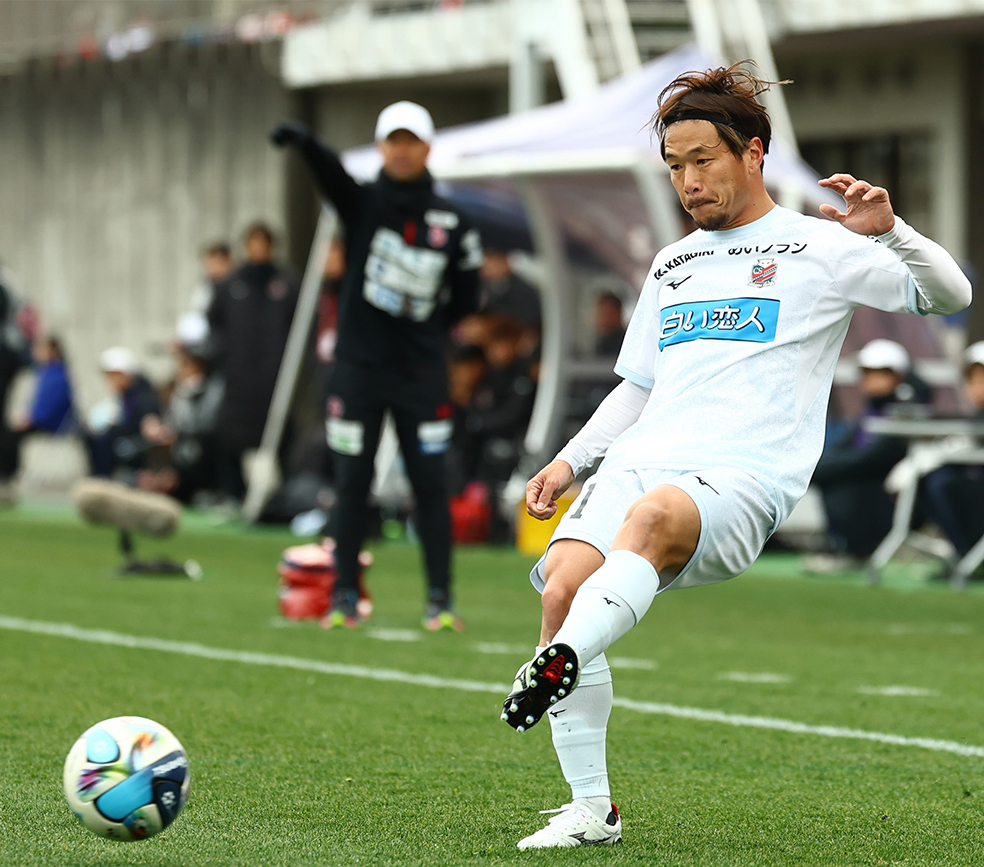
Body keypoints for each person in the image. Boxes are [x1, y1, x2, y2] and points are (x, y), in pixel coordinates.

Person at [497, 63, 971, 849]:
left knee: (648, 526)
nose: (688, 180)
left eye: (702, 160)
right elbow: (638, 386)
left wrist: (892, 231)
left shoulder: (821, 245)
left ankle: (558, 661)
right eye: (674, 165)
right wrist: (570, 460)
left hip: (743, 474)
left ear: (752, 153)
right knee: (563, 589)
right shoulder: (672, 263)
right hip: (641, 457)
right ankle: (592, 809)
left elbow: (950, 296)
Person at [270, 100, 482, 630]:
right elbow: (331, 176)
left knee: (430, 485)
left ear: (427, 148)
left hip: (421, 375)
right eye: (394, 141)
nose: (402, 150)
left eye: (412, 141)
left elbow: (466, 297)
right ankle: (344, 597)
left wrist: (423, 332)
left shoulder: (455, 221)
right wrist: (307, 144)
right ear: (381, 148)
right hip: (358, 373)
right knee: (351, 483)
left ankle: (440, 601)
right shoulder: (362, 204)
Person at [806, 339, 930, 572]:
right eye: (867, 373)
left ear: (898, 377)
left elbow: (872, 459)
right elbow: (845, 450)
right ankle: (845, 546)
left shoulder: (907, 411)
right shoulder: (870, 412)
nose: (871, 380)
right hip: (871, 493)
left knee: (842, 484)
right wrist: (816, 468)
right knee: (834, 479)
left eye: (880, 373)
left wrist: (819, 470)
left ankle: (859, 550)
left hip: (896, 501)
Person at [207, 222, 299, 500]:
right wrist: (224, 358)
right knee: (230, 433)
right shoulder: (230, 285)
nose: (258, 250)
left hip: (274, 377)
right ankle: (233, 493)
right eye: (253, 244)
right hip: (239, 378)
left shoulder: (287, 283)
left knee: (280, 431)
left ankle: (282, 497)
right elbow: (215, 324)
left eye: (263, 244)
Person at [0, 337, 75, 487]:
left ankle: (9, 475)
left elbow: (51, 405)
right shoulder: (43, 372)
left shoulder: (57, 374)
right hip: (40, 419)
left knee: (9, 437)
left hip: (51, 423)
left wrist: (32, 419)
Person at [84, 347, 160, 479]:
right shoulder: (126, 394)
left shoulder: (142, 394)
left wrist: (151, 424)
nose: (109, 380)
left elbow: (150, 419)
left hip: (137, 449)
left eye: (113, 375)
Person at [593, 291, 626, 357]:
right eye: (599, 314)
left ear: (618, 313)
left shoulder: (626, 342)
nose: (602, 319)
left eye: (606, 314)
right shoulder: (602, 342)